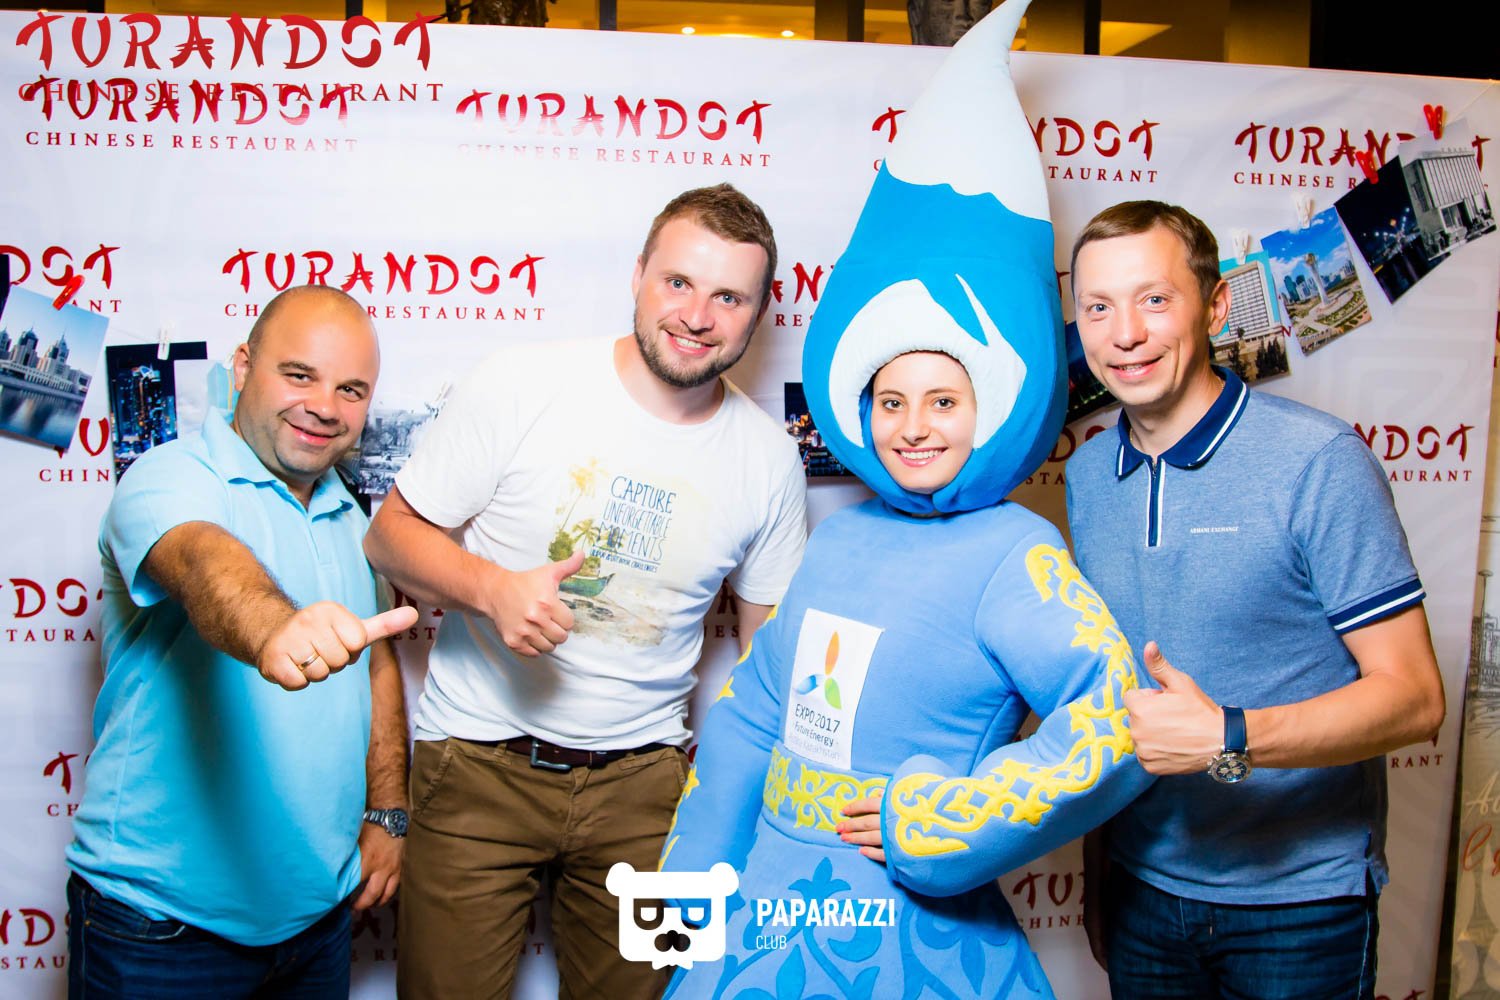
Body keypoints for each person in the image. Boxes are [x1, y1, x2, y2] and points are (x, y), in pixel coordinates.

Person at [658, 4, 1149, 996]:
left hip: (901, 933)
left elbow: (1119, 721)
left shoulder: (1015, 552)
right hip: (767, 910)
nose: (913, 426)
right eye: (891, 401)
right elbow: (754, 718)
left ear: (992, 410)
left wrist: (936, 822)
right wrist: (684, 912)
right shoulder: (840, 538)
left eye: (943, 401)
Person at [363, 183, 808, 999]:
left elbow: (768, 656)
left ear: (758, 312)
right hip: (478, 765)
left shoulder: (769, 459)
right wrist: (492, 589)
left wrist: (749, 807)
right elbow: (387, 535)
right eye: (678, 282)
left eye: (729, 297)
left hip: (649, 792)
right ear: (638, 275)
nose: (697, 316)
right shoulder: (521, 383)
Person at [1066, 200, 1446, 1000]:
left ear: (1215, 307)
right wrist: (1103, 873)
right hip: (1143, 891)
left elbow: (1415, 698)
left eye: (1154, 299)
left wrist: (1228, 736)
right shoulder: (1088, 476)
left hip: (1298, 904)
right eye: (1098, 308)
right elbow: (1121, 690)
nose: (1125, 333)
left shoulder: (1318, 460)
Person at [66, 284, 418, 998]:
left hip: (317, 921)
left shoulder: (352, 517)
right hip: (160, 929)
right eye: (300, 375)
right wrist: (276, 628)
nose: (325, 407)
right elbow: (203, 562)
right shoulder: (170, 477)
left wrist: (388, 812)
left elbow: (376, 668)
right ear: (243, 366)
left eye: (350, 390)